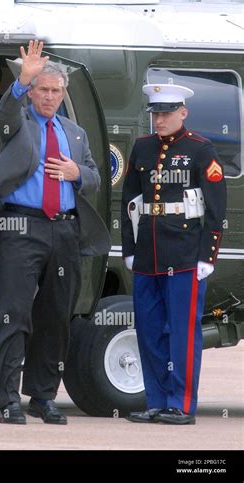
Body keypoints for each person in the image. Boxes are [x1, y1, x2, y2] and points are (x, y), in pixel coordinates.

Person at [0, 40, 111, 424]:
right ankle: (7, 400)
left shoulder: (75, 133)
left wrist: (79, 175)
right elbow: (4, 113)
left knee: (56, 317)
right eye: (43, 90)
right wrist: (22, 80)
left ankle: (43, 396)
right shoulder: (17, 123)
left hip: (65, 231)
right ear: (33, 92)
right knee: (14, 314)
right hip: (23, 227)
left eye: (56, 91)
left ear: (63, 94)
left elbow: (95, 178)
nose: (50, 97)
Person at [121, 84, 226, 425]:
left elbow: (215, 206)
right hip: (148, 254)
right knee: (149, 331)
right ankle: (155, 401)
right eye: (156, 114)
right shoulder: (142, 148)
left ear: (183, 113)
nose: (160, 119)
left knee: (182, 331)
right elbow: (130, 203)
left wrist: (207, 256)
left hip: (184, 255)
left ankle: (181, 404)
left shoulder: (200, 148)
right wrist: (130, 250)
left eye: (166, 113)